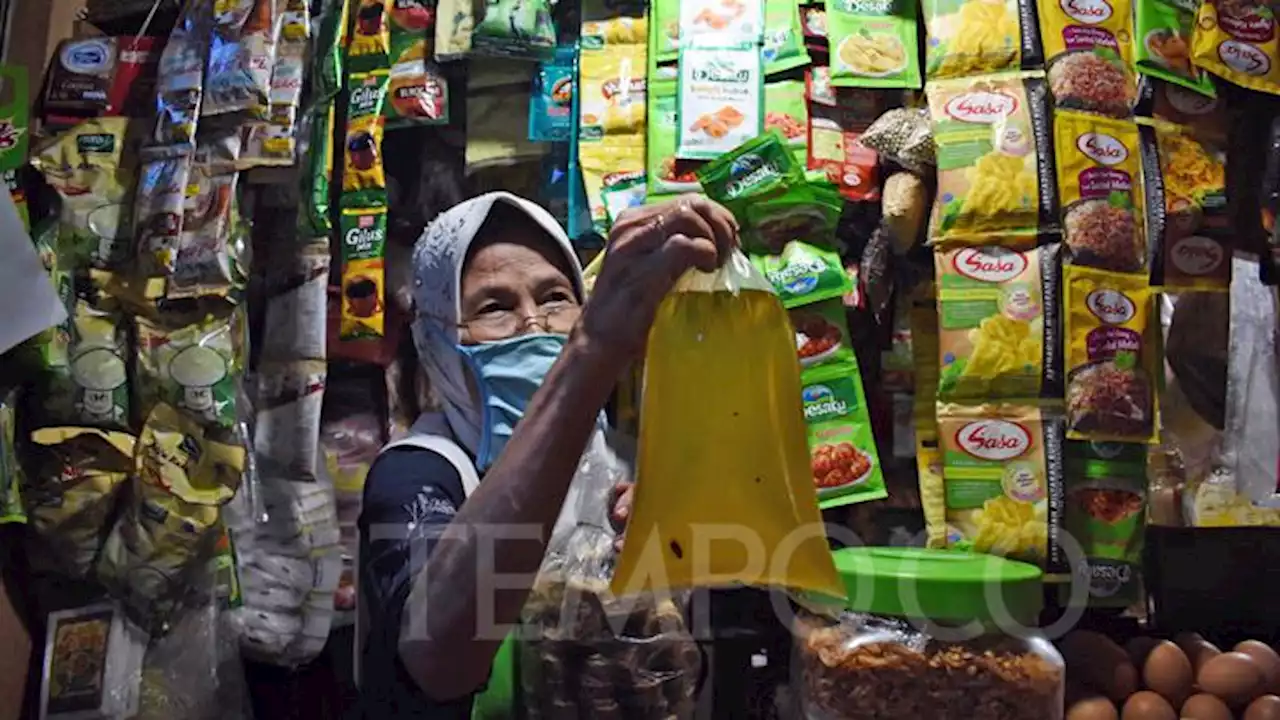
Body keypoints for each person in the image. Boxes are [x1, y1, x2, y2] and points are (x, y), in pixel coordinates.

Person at [357, 191, 739, 718]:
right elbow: (436, 660)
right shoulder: (419, 472)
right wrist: (593, 348)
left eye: (556, 298)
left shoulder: (628, 464)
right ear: (437, 343)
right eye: (495, 307)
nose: (534, 325)